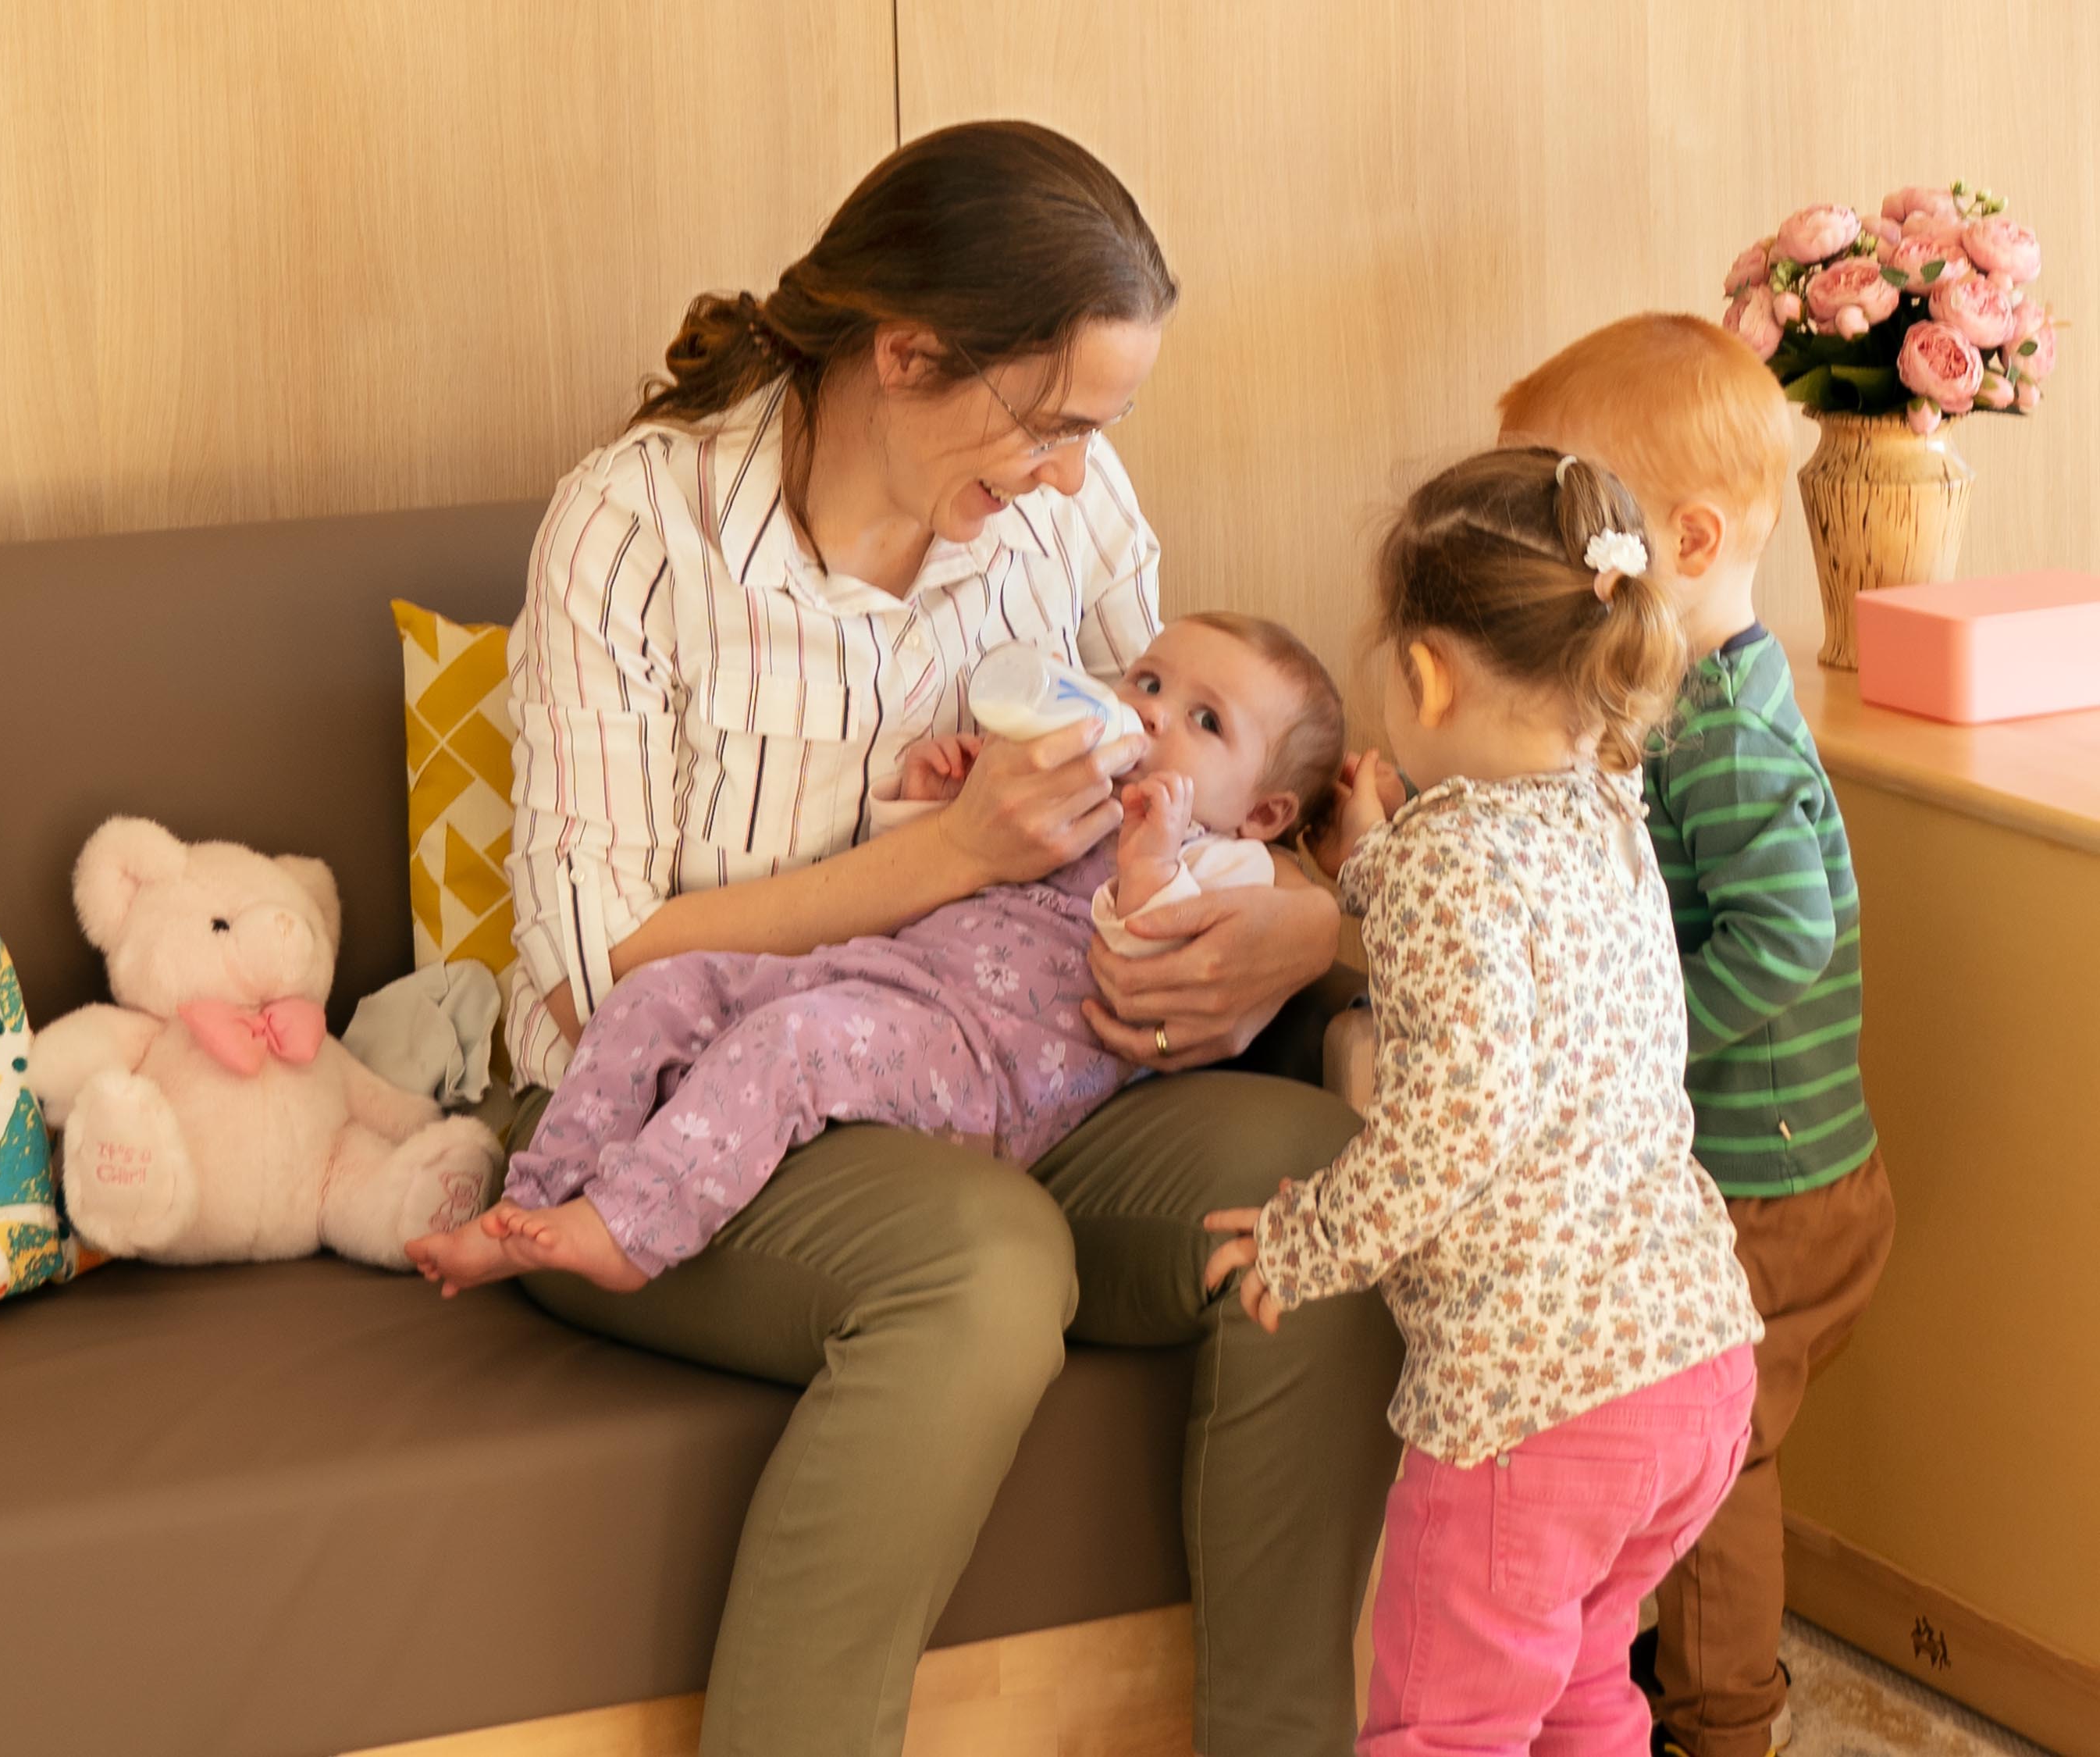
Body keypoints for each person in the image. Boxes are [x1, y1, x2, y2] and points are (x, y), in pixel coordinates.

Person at [488, 119, 1401, 1757]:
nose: (1068, 475)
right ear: (907, 353)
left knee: (1329, 1195)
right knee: (983, 1265)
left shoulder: (1066, 502)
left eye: (1094, 431)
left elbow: (1224, 776)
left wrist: (1304, 931)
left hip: (1024, 1077)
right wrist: (958, 855)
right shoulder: (636, 530)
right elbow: (599, 961)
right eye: (1047, 424)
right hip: (698, 1094)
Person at [1206, 447, 1764, 1755]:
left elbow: (1454, 1120)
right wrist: (1375, 867)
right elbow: (1509, 952)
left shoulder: (1453, 867)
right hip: (1691, 1371)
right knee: (1581, 1685)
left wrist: (1309, 1239)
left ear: (1426, 674)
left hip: (1538, 1409)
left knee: (1446, 1726)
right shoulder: (1612, 810)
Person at [409, 612, 1343, 1292]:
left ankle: (630, 1228)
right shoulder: (1081, 782)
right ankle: (541, 1194)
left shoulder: (1224, 862)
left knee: (796, 1048)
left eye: (1205, 721)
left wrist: (1145, 860)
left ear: (1263, 813)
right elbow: (940, 874)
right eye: (1147, 684)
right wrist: (926, 799)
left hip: (986, 1066)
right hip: (880, 980)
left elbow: (1159, 959)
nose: (1150, 718)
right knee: (662, 989)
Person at [1501, 315, 1896, 1757]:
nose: (1558, 579)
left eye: (1577, 543)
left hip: (1776, 1193)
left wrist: (1632, 1040)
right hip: (1745, 1172)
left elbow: (1786, 936)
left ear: (1688, 537)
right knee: (1687, 1435)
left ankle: (1726, 1720)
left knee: (1716, 1451)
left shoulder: (1729, 732)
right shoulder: (1698, 694)